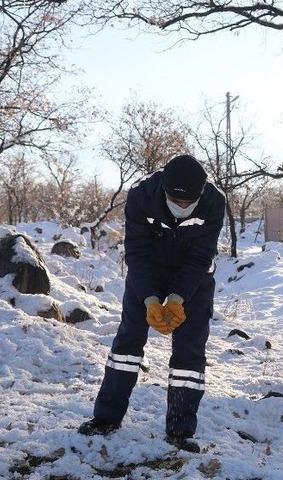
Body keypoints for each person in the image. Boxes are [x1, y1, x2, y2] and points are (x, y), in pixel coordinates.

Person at [78, 154, 225, 453]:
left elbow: (201, 256)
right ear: (164, 189)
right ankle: (106, 418)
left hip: (193, 279)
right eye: (175, 200)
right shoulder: (141, 194)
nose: (182, 207)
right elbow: (136, 251)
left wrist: (177, 297)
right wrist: (149, 299)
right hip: (147, 273)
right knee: (127, 345)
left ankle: (180, 431)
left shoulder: (214, 201)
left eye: (189, 203)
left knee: (190, 352)